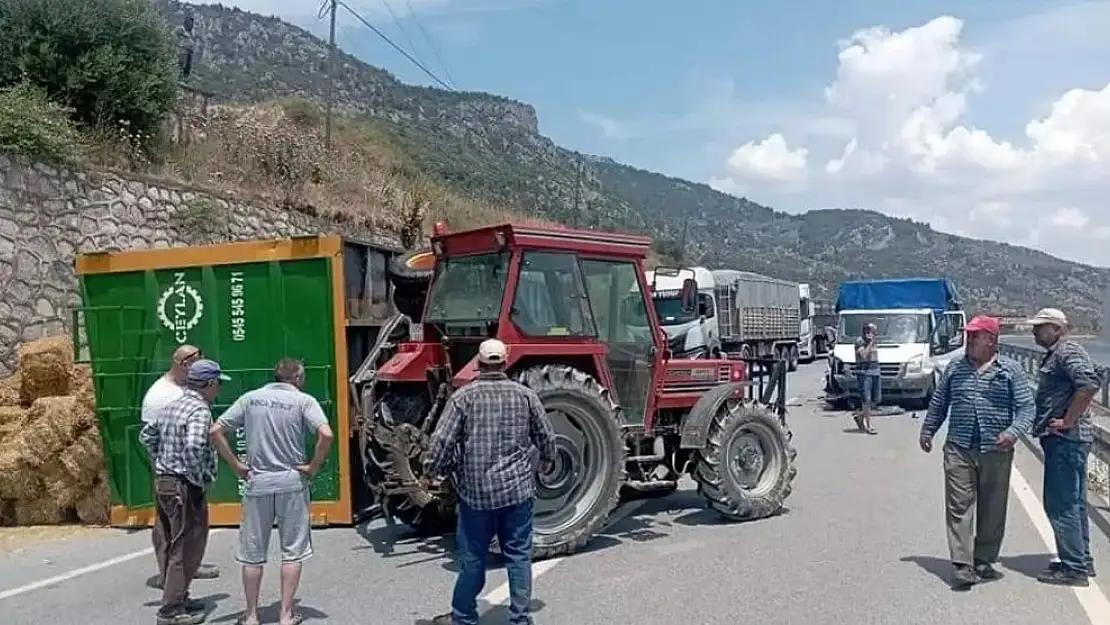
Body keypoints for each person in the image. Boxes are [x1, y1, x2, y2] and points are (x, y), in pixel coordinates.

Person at [425, 339, 556, 625]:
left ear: (479, 363)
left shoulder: (464, 398)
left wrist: (430, 472)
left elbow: (442, 441)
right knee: (519, 557)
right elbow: (546, 436)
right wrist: (548, 458)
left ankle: (464, 617)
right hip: (517, 494)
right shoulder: (525, 395)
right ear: (505, 362)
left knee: (473, 560)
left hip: (476, 496)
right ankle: (520, 618)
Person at [210, 359, 334, 625]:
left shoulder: (250, 399)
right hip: (291, 480)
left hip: (258, 480)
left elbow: (216, 430)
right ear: (298, 378)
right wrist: (313, 466)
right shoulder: (304, 402)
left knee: (253, 553)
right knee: (292, 550)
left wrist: (236, 465)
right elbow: (326, 434)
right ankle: (286, 614)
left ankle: (251, 615)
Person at [918, 315, 1036, 591]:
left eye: (976, 335)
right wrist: (928, 430)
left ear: (992, 341)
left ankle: (983, 559)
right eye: (969, 335)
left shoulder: (1010, 370)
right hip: (959, 447)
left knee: (992, 508)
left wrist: (1012, 432)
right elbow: (940, 401)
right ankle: (962, 564)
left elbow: (1026, 408)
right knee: (959, 504)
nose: (969, 339)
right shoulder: (955, 369)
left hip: (996, 448)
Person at [140, 359, 230, 625]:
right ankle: (170, 610)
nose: (219, 390)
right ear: (209, 384)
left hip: (165, 481)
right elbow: (193, 448)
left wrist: (161, 461)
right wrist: (198, 479)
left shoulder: (171, 405)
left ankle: (178, 596)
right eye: (217, 385)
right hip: (184, 485)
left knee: (170, 542)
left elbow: (147, 436)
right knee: (187, 546)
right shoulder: (200, 411)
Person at [1028, 307, 1102, 586]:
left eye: (1041, 326)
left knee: (1061, 503)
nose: (1035, 331)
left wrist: (1068, 420)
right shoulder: (1060, 353)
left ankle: (1074, 568)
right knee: (1074, 501)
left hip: (1066, 439)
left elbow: (1088, 385)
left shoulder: (1066, 352)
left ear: (1057, 328)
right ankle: (1080, 559)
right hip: (1069, 439)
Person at [854, 322, 880, 434]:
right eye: (872, 331)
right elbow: (864, 355)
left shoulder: (875, 341)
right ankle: (868, 426)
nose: (874, 334)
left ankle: (860, 416)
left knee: (876, 399)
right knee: (866, 400)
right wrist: (870, 343)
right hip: (864, 373)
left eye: (875, 332)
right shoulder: (860, 341)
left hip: (875, 371)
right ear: (866, 331)